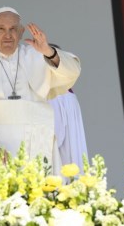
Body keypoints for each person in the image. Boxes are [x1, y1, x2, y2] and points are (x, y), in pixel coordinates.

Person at [0, 7, 81, 190]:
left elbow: (72, 72)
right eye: (1, 29)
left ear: (21, 32)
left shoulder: (37, 56)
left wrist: (49, 51)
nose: (7, 35)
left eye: (13, 29)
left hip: (37, 147)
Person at [47, 44, 88, 172]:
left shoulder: (55, 95)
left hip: (61, 166)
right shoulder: (68, 94)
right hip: (72, 162)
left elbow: (55, 136)